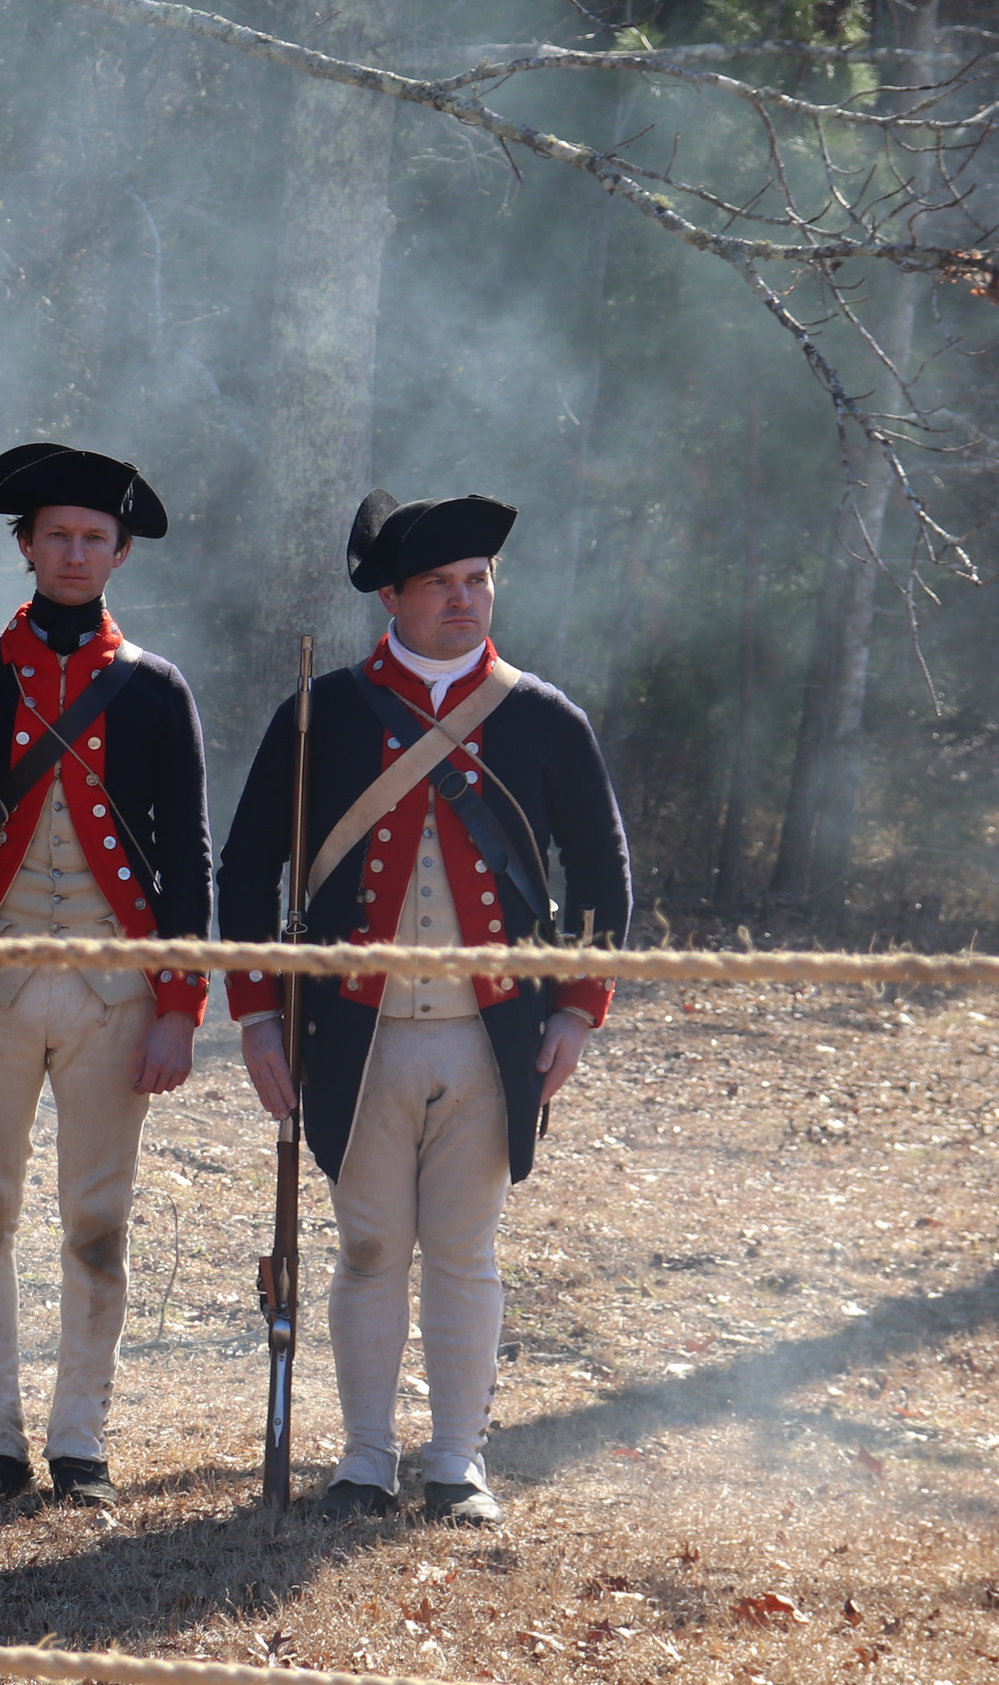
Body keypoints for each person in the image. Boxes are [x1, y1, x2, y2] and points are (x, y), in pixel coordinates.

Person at [216, 490, 630, 1526]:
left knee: (465, 1247)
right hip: (352, 1033)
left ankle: (457, 1461)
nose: (463, 598)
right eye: (440, 583)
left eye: (477, 579)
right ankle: (364, 1459)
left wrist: (579, 1006)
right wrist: (259, 1016)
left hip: (493, 1035)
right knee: (367, 1249)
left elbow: (605, 871)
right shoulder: (322, 713)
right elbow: (246, 867)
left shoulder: (540, 713)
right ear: (391, 596)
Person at [0, 443, 214, 1507]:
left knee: (97, 1221)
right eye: (56, 534)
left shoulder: (155, 690)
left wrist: (179, 1005)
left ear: (119, 554)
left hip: (117, 996)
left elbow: (189, 857)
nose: (75, 552)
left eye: (94, 538)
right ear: (24, 545)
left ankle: (81, 1439)